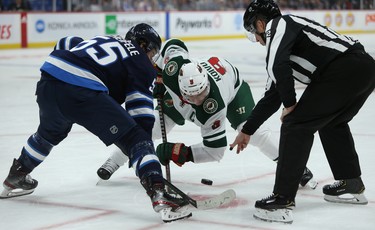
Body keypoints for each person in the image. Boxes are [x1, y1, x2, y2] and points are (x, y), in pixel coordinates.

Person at [0, 23, 192, 222]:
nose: (152, 58)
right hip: (80, 90)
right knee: (137, 138)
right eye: (152, 52)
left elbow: (67, 42)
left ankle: (17, 175)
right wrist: (140, 151)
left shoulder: (107, 39)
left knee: (48, 135)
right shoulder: (141, 61)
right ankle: (159, 194)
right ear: (144, 45)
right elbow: (140, 113)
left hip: (48, 82)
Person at [96, 38, 317, 190]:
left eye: (202, 93)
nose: (199, 100)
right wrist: (159, 73)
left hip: (234, 93)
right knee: (146, 129)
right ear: (182, 89)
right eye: (193, 96)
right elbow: (174, 45)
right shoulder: (175, 69)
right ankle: (112, 162)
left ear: (205, 85)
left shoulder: (214, 105)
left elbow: (216, 150)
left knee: (255, 133)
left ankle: (296, 168)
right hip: (175, 99)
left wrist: (181, 152)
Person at [230, 0, 375, 224]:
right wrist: (247, 130)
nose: (258, 41)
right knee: (332, 122)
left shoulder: (279, 24)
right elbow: (272, 95)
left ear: (260, 23)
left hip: (344, 68)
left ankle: (282, 200)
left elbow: (278, 67)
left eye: (254, 32)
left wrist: (290, 106)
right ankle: (351, 184)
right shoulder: (287, 36)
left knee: (295, 124)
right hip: (364, 69)